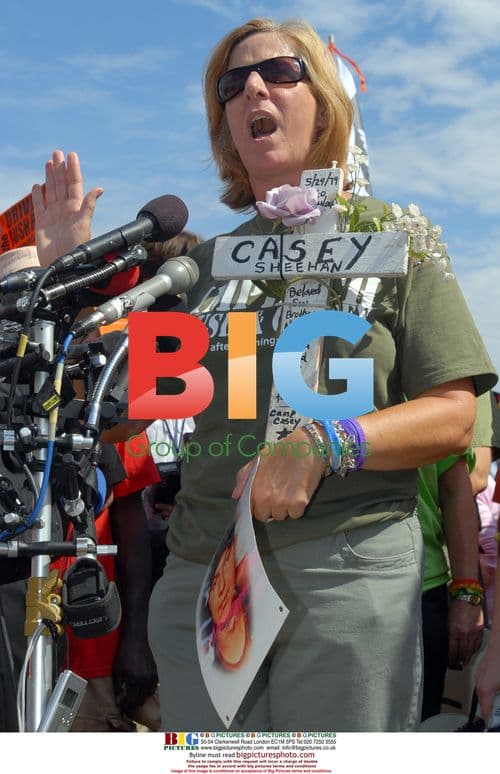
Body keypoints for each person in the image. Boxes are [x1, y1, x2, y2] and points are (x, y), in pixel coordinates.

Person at [147, 17, 497, 732]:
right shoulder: (197, 266)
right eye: (230, 84)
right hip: (204, 580)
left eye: (278, 72)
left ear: (325, 103)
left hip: (345, 574)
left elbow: (454, 417)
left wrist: (323, 442)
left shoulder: (398, 237)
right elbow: (138, 413)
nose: (251, 89)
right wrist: (54, 268)